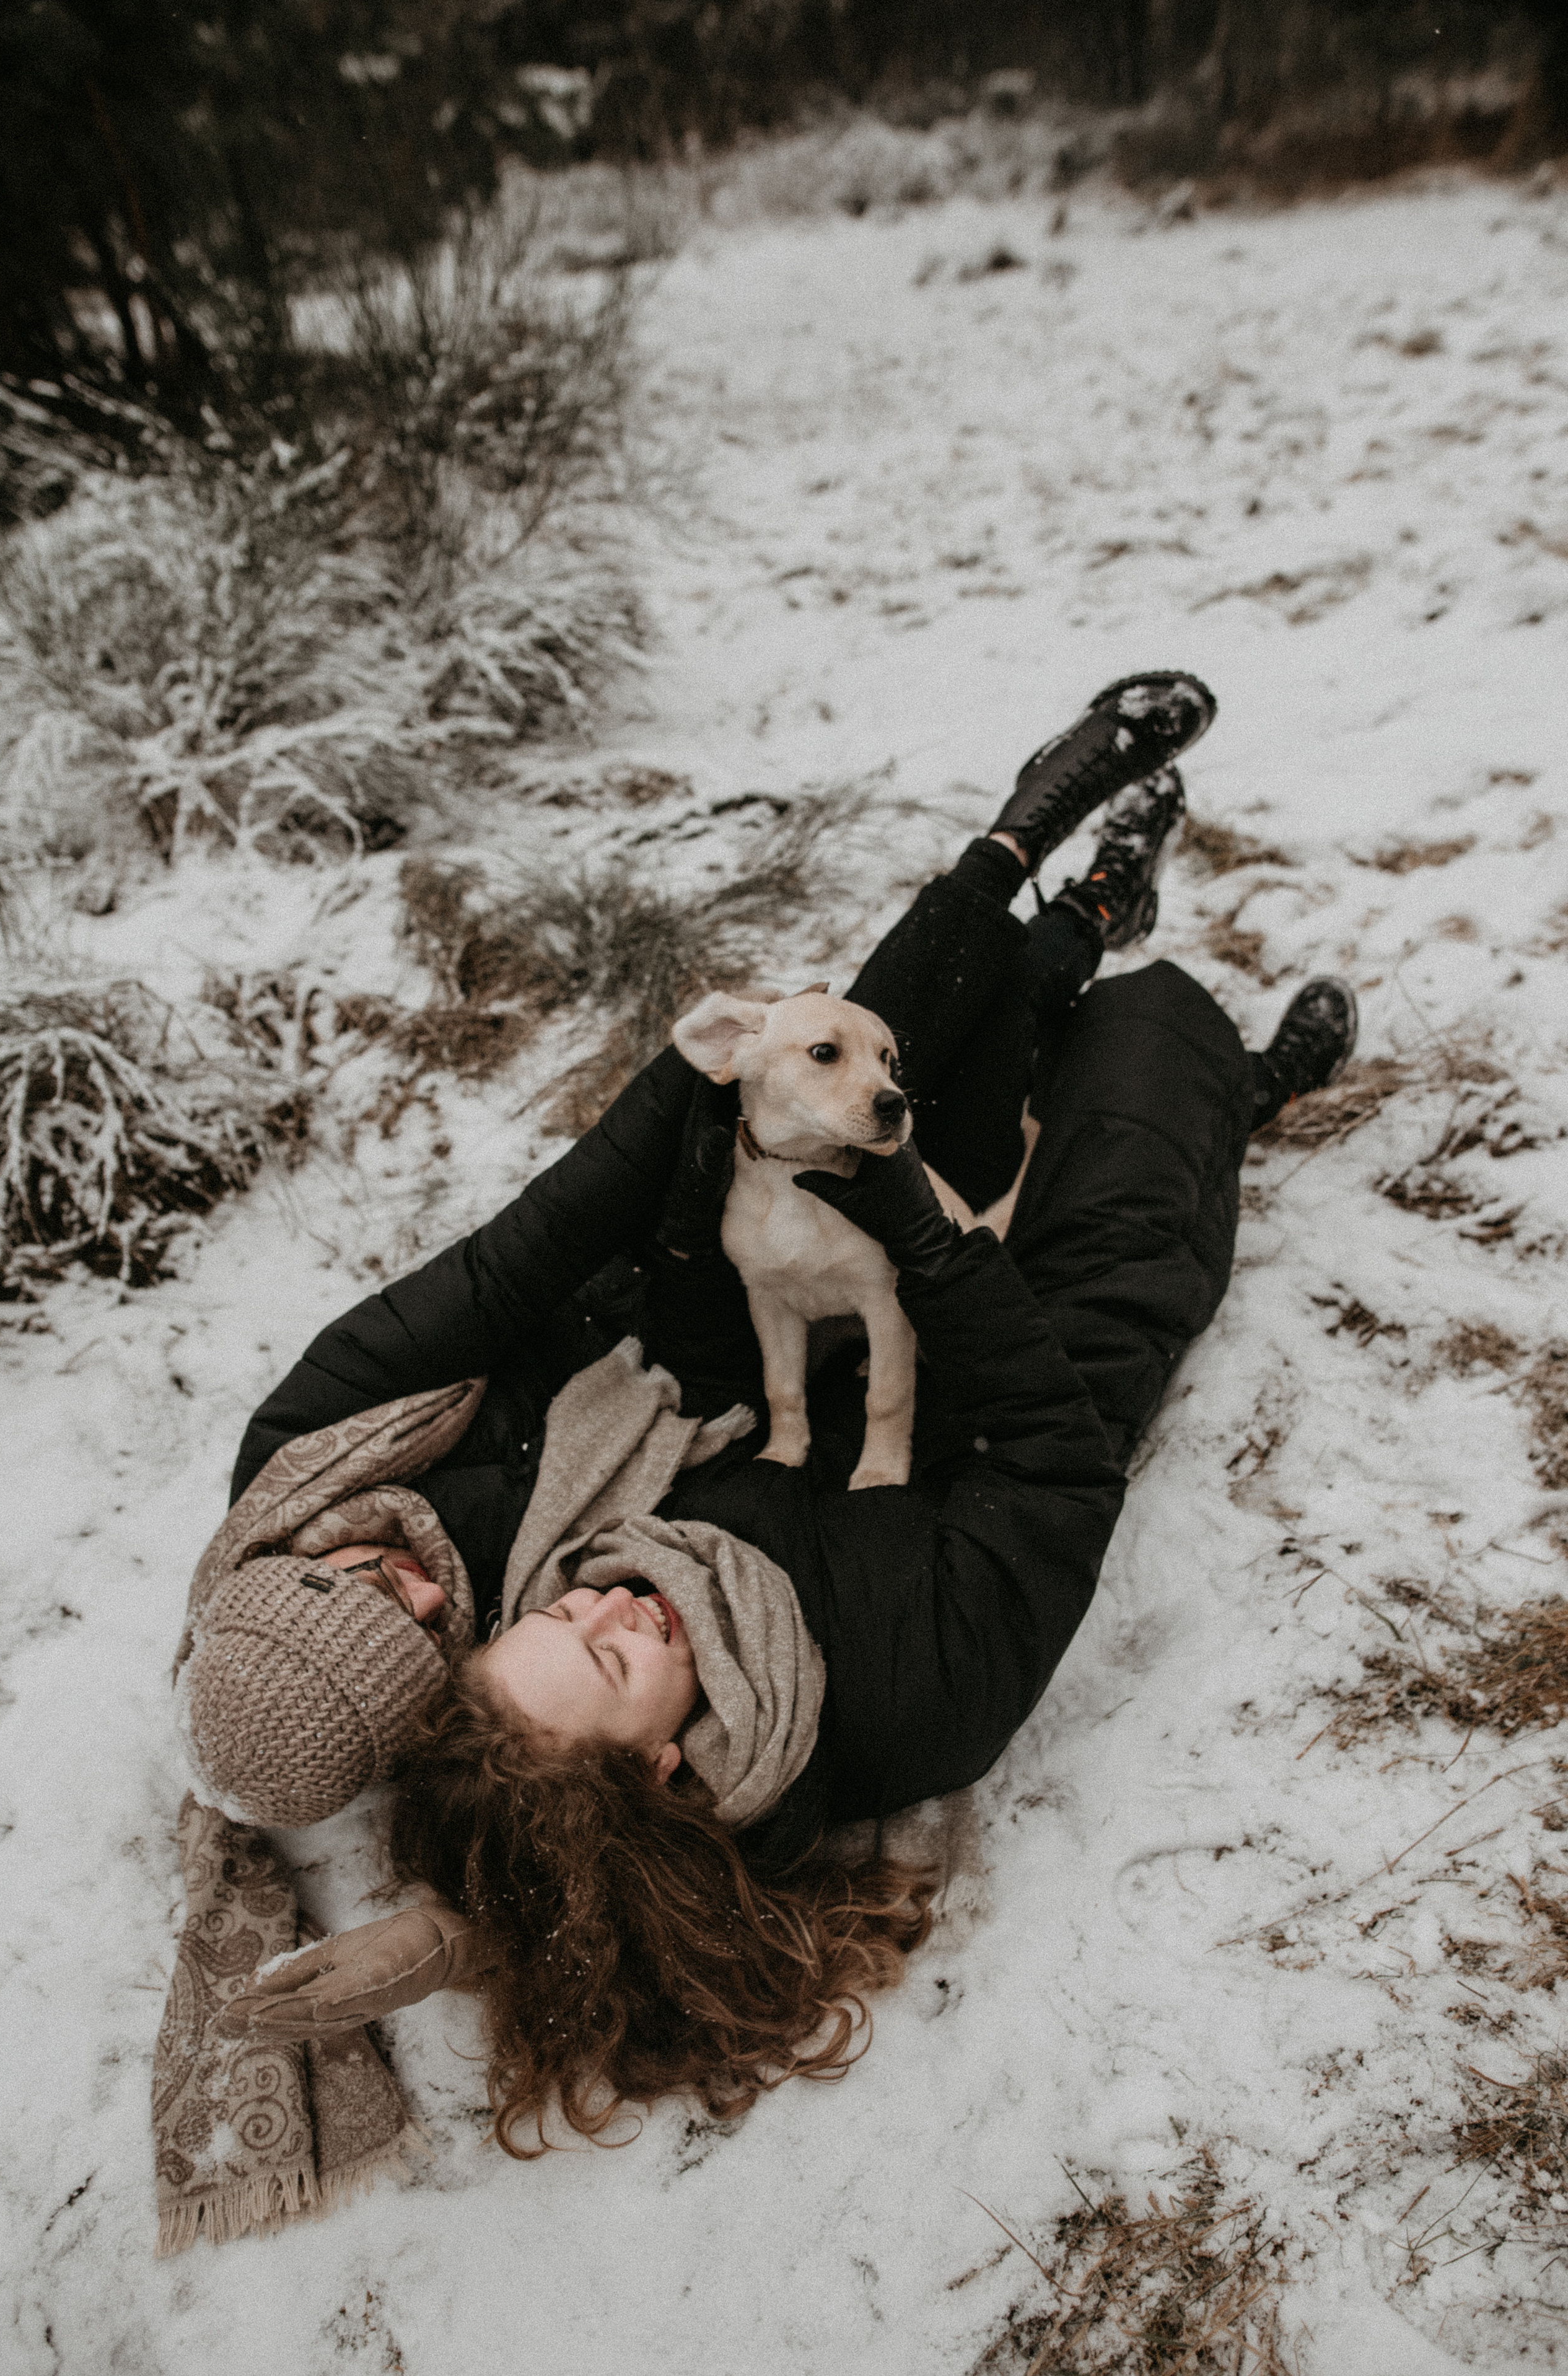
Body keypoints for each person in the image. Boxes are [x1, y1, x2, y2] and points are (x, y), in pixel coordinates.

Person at [194, 672, 1357, 2155]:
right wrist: (931, 1250)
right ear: (660, 1764)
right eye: (600, 1651)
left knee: (842, 1068)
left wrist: (705, 1155)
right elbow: (1060, 1458)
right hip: (997, 1386)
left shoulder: (529, 1532)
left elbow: (521, 1268)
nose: (592, 1600)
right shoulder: (896, 1703)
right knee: (1140, 1122)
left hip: (712, 1345)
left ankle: (1048, 865)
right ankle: (1225, 1092)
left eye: (541, 1614)